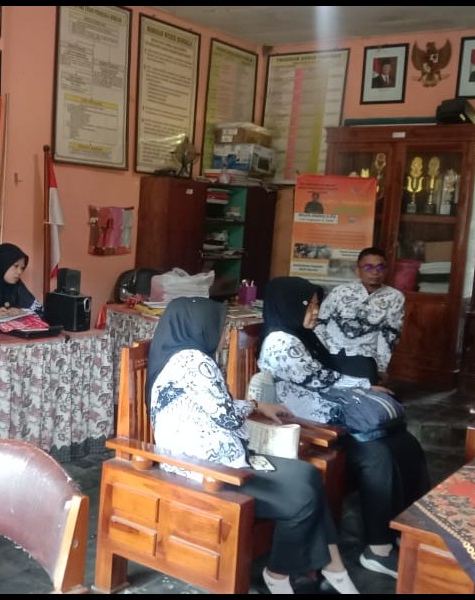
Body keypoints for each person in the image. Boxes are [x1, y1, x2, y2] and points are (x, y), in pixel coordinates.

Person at [148, 297, 360, 594]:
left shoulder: (177, 356)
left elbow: (215, 406)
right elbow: (226, 415)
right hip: (209, 472)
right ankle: (278, 574)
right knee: (302, 500)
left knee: (309, 475)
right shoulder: (195, 361)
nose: (224, 334)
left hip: (210, 460)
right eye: (221, 326)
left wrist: (256, 405)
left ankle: (332, 567)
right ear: (200, 327)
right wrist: (253, 409)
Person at [258, 276, 431, 580]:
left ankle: (404, 530)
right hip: (312, 425)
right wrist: (365, 385)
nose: (316, 311)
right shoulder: (280, 341)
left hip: (332, 413)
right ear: (290, 306)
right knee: (377, 455)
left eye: (317, 304)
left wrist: (363, 385)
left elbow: (329, 374)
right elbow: (319, 379)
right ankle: (377, 549)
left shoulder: (303, 335)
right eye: (310, 305)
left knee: (405, 444)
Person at [315, 247, 405, 382]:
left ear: (386, 270)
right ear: (358, 270)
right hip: (330, 351)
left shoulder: (394, 297)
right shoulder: (341, 291)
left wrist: (381, 367)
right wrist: (319, 353)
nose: (375, 272)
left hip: (364, 356)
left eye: (380, 267)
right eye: (368, 267)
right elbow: (320, 322)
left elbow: (389, 335)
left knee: (363, 390)